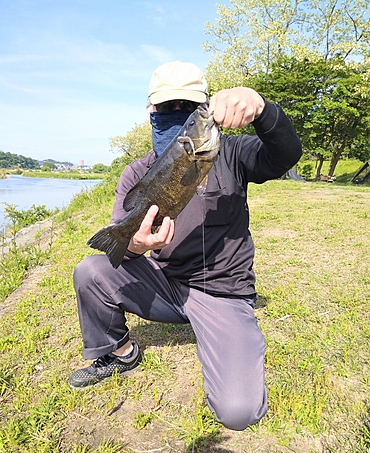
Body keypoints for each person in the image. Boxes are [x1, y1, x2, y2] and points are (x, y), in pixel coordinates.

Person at [69, 61, 302, 431]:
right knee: (90, 270)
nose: (176, 113)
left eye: (187, 107)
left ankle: (224, 339)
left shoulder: (232, 153)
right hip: (166, 284)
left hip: (222, 293)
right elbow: (120, 240)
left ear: (204, 108)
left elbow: (285, 154)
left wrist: (262, 109)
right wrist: (137, 245)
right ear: (151, 112)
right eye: (167, 107)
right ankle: (119, 354)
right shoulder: (136, 172)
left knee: (239, 411)